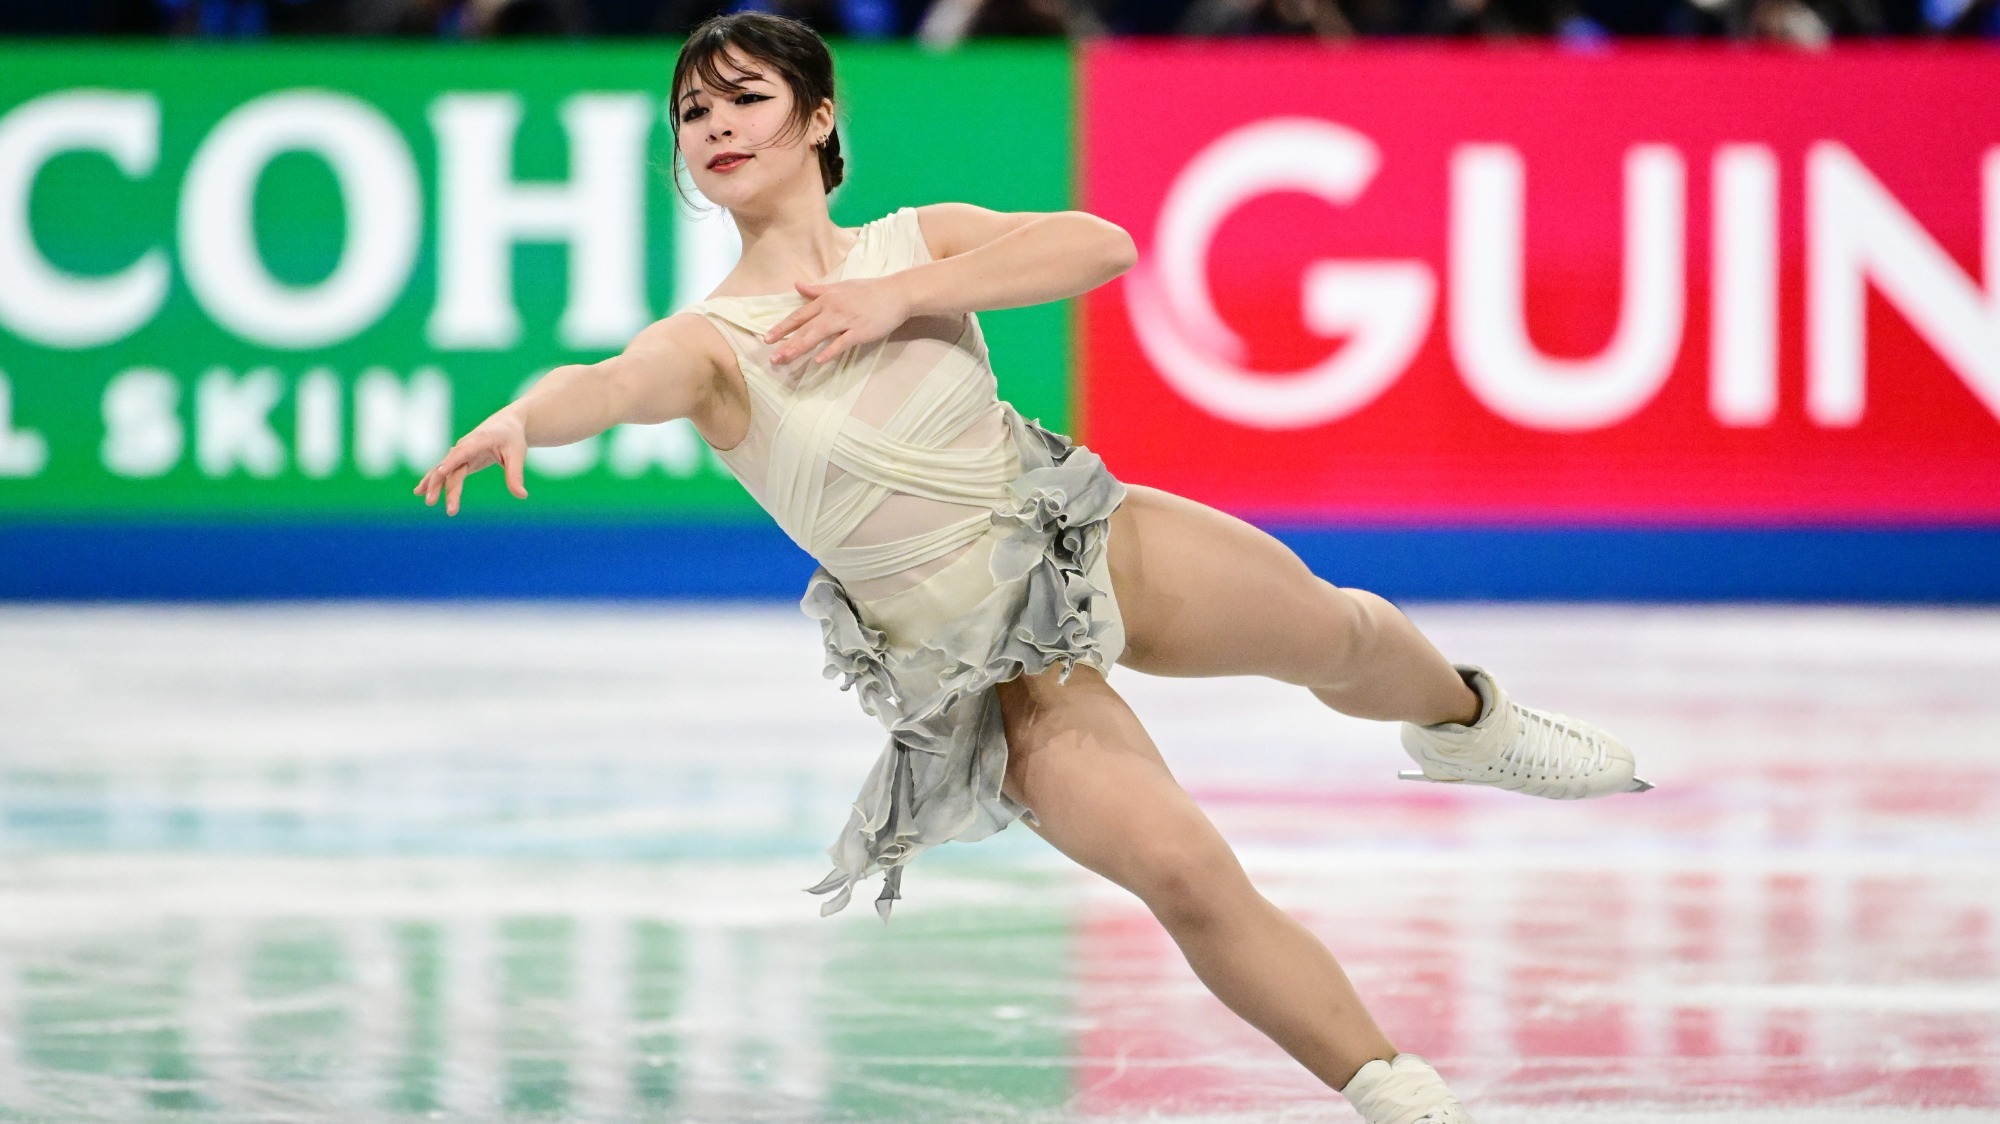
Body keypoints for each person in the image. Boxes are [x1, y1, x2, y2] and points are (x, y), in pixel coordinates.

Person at [411, 11, 1651, 1120]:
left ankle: (1463, 721)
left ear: (817, 116)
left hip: (1081, 536)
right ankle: (1401, 1092)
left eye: (743, 97)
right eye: (693, 110)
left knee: (1336, 631)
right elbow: (609, 382)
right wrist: (530, 415)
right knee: (1184, 870)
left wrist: (901, 298)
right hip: (984, 667)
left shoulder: (913, 240)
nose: (715, 125)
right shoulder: (711, 343)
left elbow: (1098, 244)